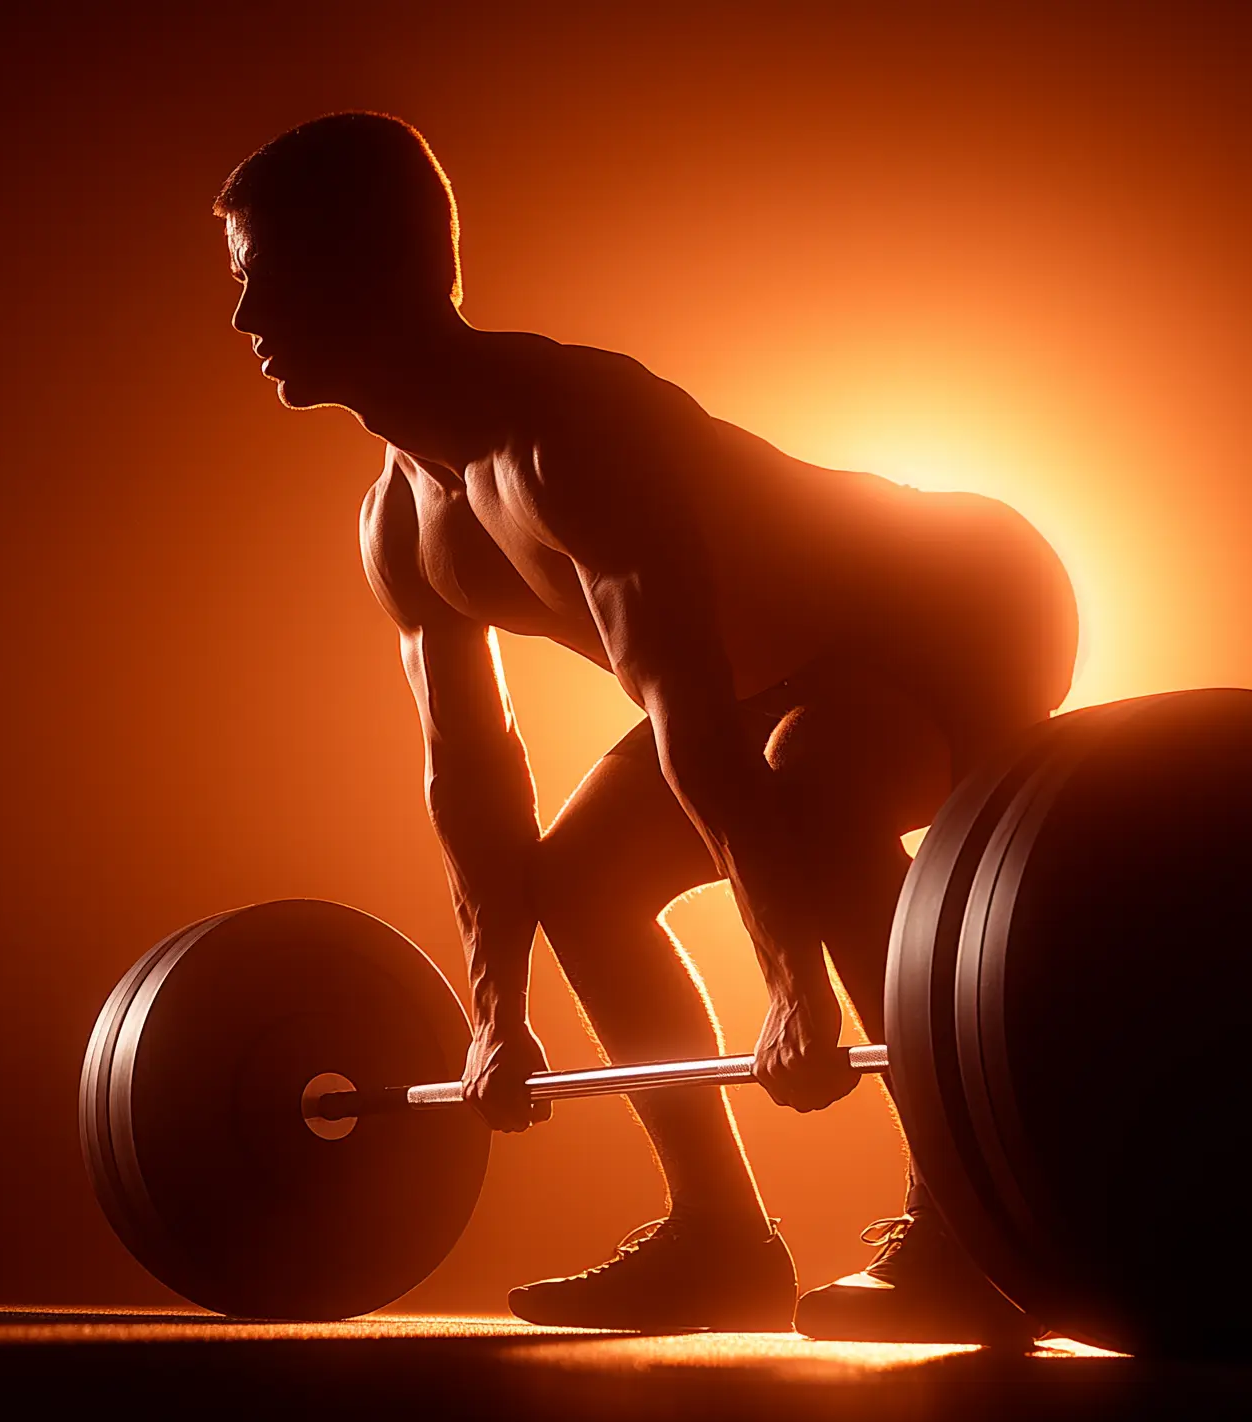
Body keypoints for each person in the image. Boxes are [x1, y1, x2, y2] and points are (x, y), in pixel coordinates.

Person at [215, 113, 1076, 1338]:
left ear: (375, 263)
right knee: (580, 880)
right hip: (766, 685)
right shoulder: (400, 526)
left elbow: (683, 700)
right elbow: (471, 771)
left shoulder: (568, 433)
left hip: (959, 599)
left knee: (808, 790)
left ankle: (977, 1228)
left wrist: (794, 985)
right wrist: (493, 1015)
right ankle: (720, 1237)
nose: (245, 321)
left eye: (267, 282)